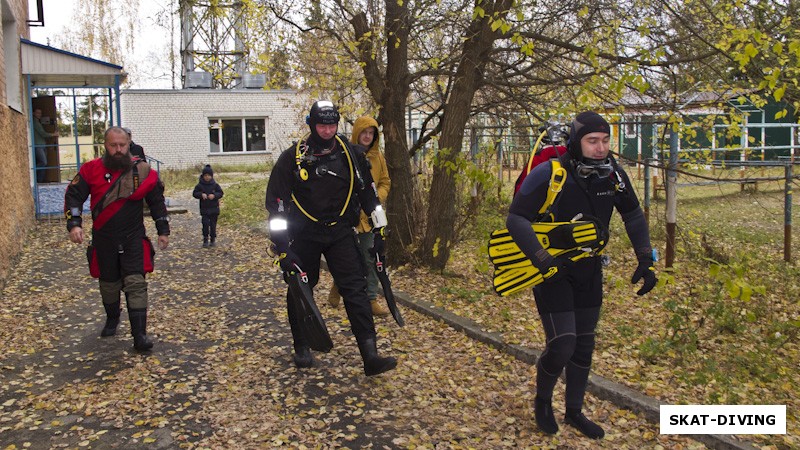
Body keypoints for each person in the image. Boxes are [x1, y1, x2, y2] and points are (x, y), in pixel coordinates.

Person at [506, 111, 657, 439]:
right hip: (552, 270)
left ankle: (574, 411)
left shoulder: (612, 176)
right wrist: (543, 260)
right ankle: (543, 402)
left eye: (605, 140)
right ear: (576, 142)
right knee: (562, 345)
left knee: (584, 346)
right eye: (592, 141)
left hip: (589, 269)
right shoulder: (551, 172)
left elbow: (632, 215)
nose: (600, 147)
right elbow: (516, 218)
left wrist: (645, 258)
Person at [265, 100, 397, 376]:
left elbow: (369, 196)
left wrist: (379, 231)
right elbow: (276, 205)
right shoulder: (292, 158)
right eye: (321, 125)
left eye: (331, 125)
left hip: (340, 232)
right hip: (304, 233)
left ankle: (370, 354)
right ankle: (301, 344)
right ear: (312, 125)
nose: (327, 131)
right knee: (301, 288)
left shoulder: (352, 155)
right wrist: (282, 249)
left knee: (356, 288)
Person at [64, 126, 170, 352]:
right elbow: (73, 196)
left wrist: (163, 229)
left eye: (123, 145)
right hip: (104, 239)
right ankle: (112, 318)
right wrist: (74, 224)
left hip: (133, 237)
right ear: (105, 145)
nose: (119, 149)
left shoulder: (142, 172)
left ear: (129, 143)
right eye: (114, 145)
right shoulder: (90, 169)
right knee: (109, 285)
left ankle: (139, 335)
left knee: (136, 284)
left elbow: (156, 201)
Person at [327, 116, 392, 317]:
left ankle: (371, 297)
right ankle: (339, 285)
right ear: (357, 133)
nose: (367, 136)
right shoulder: (345, 155)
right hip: (349, 217)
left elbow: (385, 182)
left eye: (371, 133)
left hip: (371, 217)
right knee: (349, 257)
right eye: (364, 132)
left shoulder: (378, 157)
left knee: (370, 257)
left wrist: (374, 199)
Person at [193, 164, 224, 248]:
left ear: (211, 176)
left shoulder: (215, 185)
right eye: (205, 175)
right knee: (205, 224)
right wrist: (201, 194)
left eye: (209, 175)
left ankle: (213, 239)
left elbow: (221, 193)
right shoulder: (200, 185)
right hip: (204, 209)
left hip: (214, 209)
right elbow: (194, 193)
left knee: (213, 225)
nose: (207, 177)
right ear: (203, 176)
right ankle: (205, 239)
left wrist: (214, 195)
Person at [32, 108, 57, 183]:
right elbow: (43, 133)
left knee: (44, 164)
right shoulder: (35, 122)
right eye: (37, 113)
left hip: (42, 145)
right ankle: (33, 174)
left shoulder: (38, 122)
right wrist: (54, 134)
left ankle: (40, 180)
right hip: (38, 145)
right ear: (33, 113)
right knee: (43, 162)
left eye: (40, 113)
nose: (39, 115)